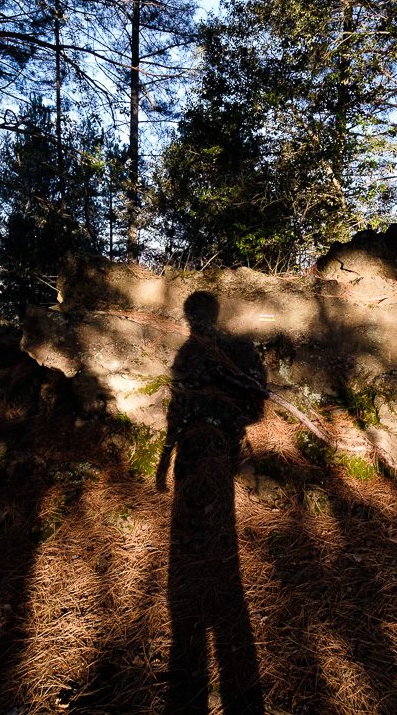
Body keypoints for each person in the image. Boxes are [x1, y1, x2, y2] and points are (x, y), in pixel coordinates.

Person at [157, 291, 266, 714]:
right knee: (193, 524)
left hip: (218, 451)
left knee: (214, 525)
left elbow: (254, 402)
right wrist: (168, 454)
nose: (197, 322)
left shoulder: (229, 351)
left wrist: (221, 419)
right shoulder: (192, 354)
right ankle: (201, 578)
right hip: (196, 450)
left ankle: (212, 583)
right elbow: (177, 404)